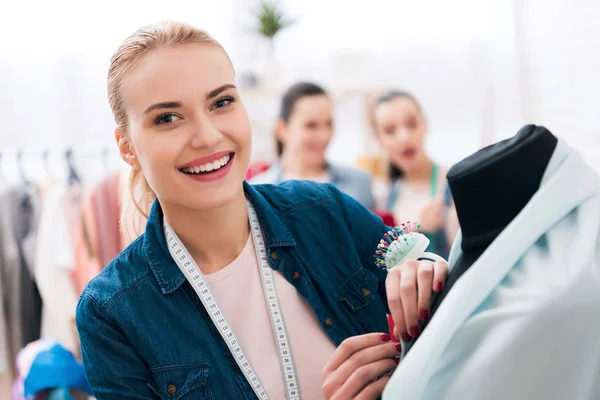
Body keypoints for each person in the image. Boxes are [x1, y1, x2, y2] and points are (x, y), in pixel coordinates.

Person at [75, 21, 448, 400]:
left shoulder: (325, 211)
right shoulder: (111, 313)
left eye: (221, 102)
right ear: (126, 147)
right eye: (167, 118)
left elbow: (440, 304)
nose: (207, 136)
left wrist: (429, 274)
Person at [250, 82, 374, 209]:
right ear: (282, 129)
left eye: (329, 124)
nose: (324, 135)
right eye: (311, 125)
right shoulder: (257, 192)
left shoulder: (359, 184)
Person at [371, 90, 460, 260]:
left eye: (411, 124)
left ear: (425, 125)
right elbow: (380, 257)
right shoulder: (385, 198)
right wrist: (418, 225)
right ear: (378, 139)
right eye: (390, 130)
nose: (404, 137)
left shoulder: (454, 183)